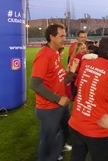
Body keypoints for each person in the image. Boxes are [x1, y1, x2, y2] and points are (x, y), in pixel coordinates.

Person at [30, 23, 79, 161]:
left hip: (60, 105)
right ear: (52, 37)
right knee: (47, 141)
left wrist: (72, 73)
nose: (65, 38)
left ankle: (57, 151)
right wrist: (57, 99)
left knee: (65, 131)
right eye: (61, 36)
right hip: (49, 108)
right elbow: (35, 84)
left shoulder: (54, 54)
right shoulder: (44, 56)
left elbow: (59, 81)